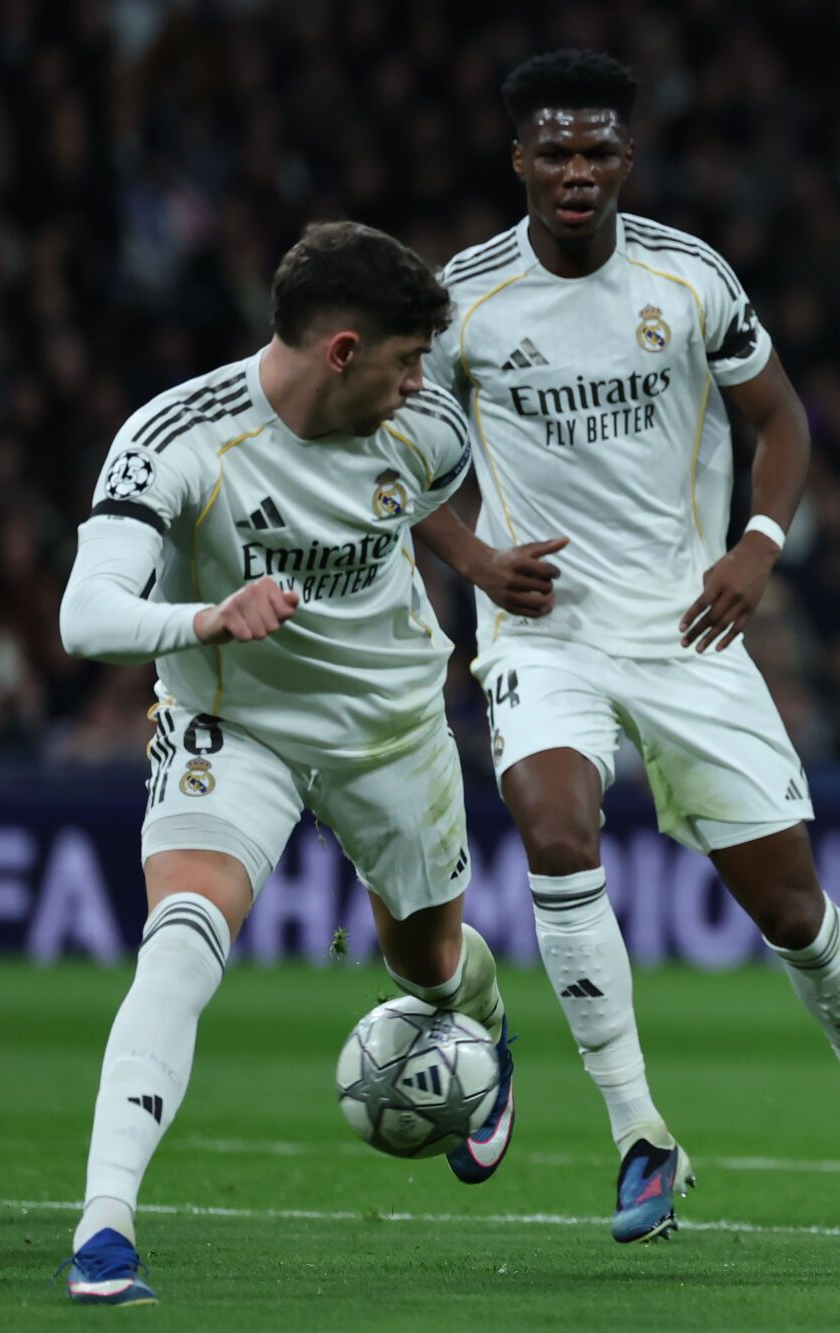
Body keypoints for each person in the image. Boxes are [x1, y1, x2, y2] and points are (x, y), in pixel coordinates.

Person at [413, 49, 840, 1242]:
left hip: (686, 626)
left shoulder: (688, 275)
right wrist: (474, 561)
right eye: (553, 151)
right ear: (517, 160)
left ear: (627, 158)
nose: (575, 171)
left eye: (595, 150)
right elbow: (395, 458)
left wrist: (759, 543)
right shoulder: (462, 300)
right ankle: (640, 1138)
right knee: (555, 834)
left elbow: (783, 419)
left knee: (793, 913)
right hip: (540, 629)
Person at [55, 221, 519, 1305]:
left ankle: (489, 1032)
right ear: (342, 351)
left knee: (429, 967)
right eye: (406, 361)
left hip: (390, 724)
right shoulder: (178, 438)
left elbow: (416, 499)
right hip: (234, 722)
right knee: (181, 941)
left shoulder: (427, 427)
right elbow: (86, 616)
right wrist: (207, 617)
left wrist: (483, 564)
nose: (422, 384)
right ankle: (104, 1226)